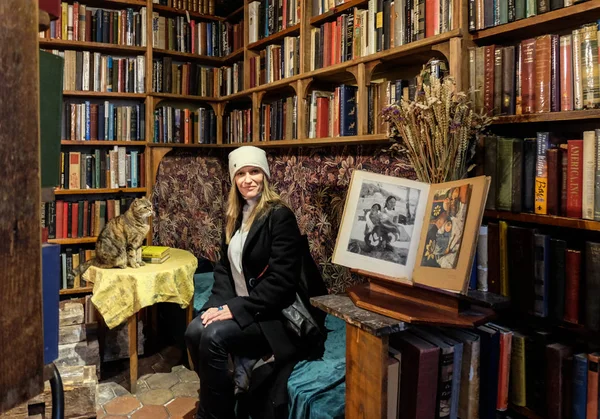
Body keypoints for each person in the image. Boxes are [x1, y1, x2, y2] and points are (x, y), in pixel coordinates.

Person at [185, 146, 304, 419]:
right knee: (194, 329)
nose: (248, 179)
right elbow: (224, 270)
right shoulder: (234, 216)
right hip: (240, 306)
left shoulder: (279, 216)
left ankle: (213, 414)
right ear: (233, 179)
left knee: (214, 337)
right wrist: (215, 307)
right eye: (241, 173)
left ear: (265, 175)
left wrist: (236, 309)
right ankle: (220, 395)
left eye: (254, 172)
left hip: (270, 315)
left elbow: (282, 282)